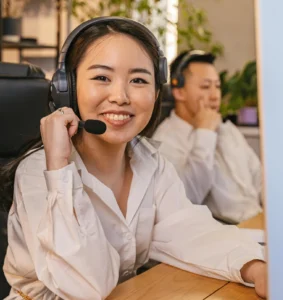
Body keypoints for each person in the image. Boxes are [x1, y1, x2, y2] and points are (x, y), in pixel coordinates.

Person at [1, 17, 266, 300]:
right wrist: (60, 167)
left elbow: (190, 231)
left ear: (156, 93)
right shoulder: (39, 173)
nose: (120, 96)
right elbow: (85, 287)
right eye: (102, 77)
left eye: (138, 80)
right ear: (66, 89)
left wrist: (255, 268)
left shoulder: (151, 164)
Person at [153, 50, 262, 224]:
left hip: (258, 224)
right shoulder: (166, 140)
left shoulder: (227, 130)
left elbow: (259, 177)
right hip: (224, 235)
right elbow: (187, 198)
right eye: (205, 86)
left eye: (217, 86)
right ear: (179, 91)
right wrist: (204, 134)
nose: (215, 95)